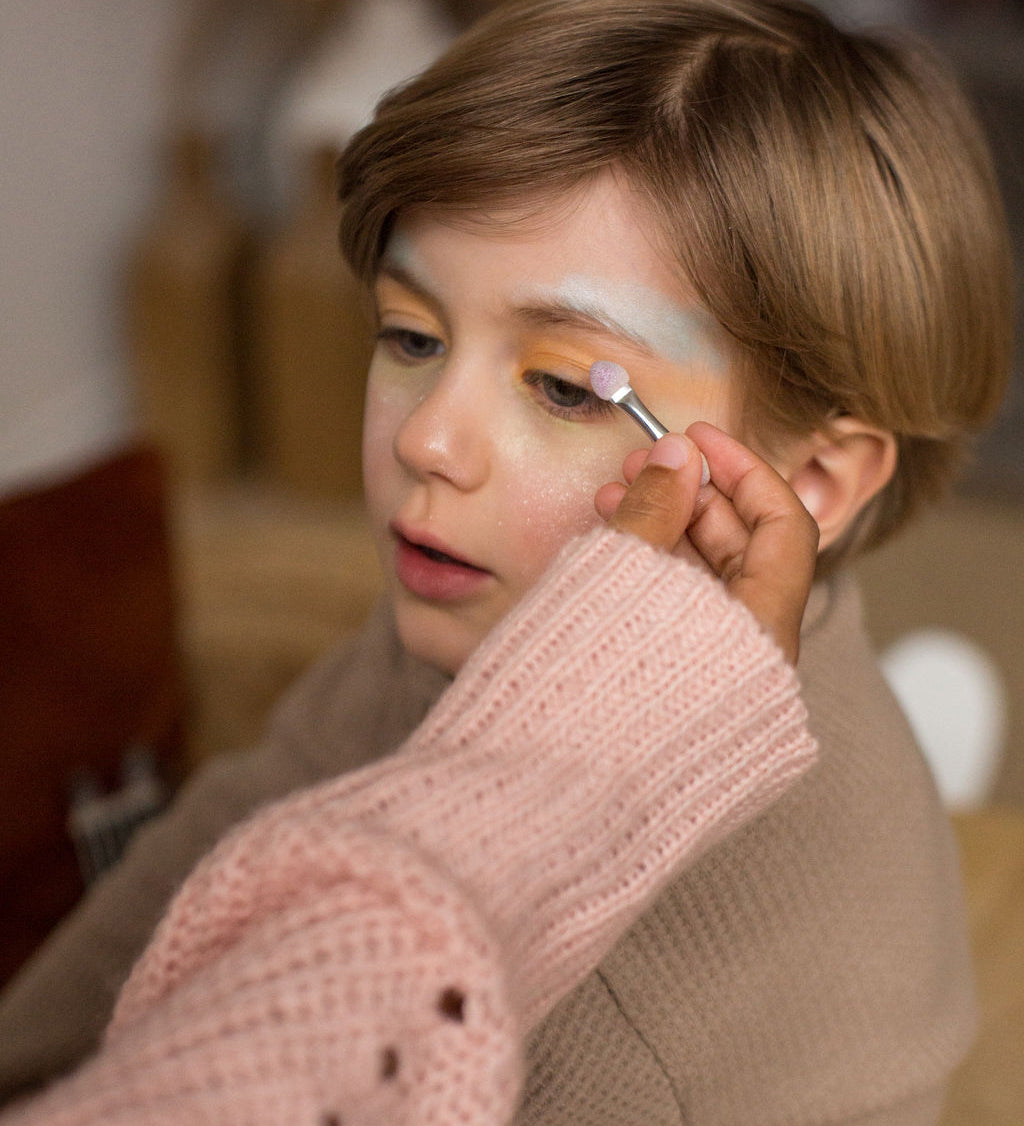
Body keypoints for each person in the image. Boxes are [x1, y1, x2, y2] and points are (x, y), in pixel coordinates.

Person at [0, 0, 1014, 1122]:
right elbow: (257, 801)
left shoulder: (623, 1057)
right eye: (412, 336)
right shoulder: (482, 596)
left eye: (567, 387)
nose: (426, 437)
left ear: (811, 487)